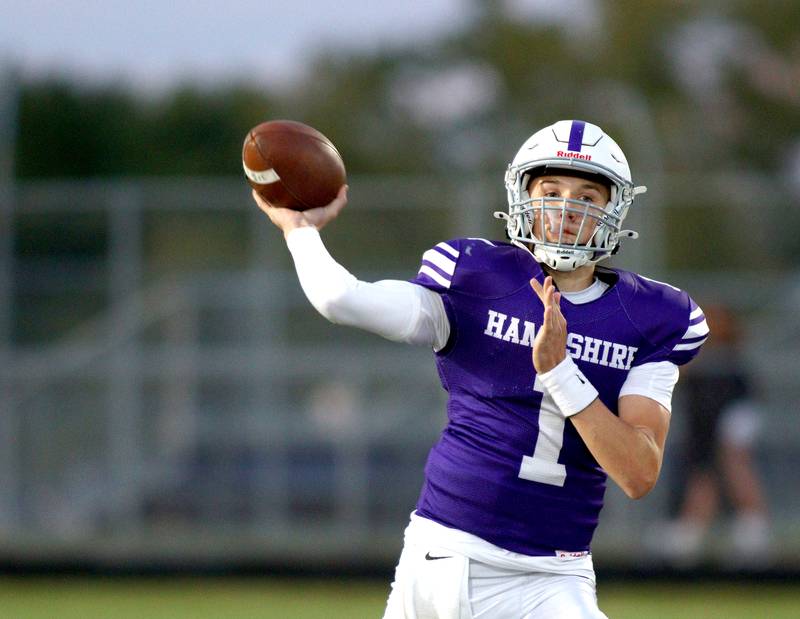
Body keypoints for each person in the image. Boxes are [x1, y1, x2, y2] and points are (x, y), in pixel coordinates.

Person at [252, 120, 708, 618]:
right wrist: (299, 230)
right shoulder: (474, 277)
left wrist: (560, 372)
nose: (565, 209)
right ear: (521, 196)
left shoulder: (652, 317)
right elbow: (341, 299)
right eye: (551, 191)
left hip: (551, 577)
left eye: (586, 196)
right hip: (442, 554)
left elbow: (638, 473)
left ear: (613, 209)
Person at [654, 304, 769, 567]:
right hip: (704, 423)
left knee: (733, 461)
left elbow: (745, 390)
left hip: (735, 412)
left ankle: (754, 528)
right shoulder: (692, 351)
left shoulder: (730, 354)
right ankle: (691, 529)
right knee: (704, 468)